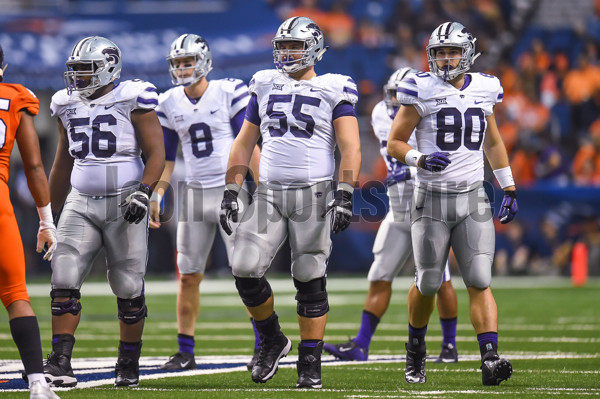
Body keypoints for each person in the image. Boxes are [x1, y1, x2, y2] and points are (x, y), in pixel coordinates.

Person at [219, 16, 361, 388]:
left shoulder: (334, 87)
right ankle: (271, 338)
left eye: (294, 46)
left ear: (314, 48)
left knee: (309, 274)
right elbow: (244, 143)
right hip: (270, 192)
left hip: (313, 192)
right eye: (282, 46)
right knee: (244, 265)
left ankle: (310, 363)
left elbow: (350, 147)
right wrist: (232, 189)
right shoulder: (264, 84)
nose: (286, 53)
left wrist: (345, 192)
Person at [387, 22, 516, 386]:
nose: (445, 59)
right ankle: (415, 348)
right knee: (428, 282)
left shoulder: (486, 88)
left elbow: (492, 142)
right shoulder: (420, 87)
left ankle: (489, 358)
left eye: (452, 52)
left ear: (468, 53)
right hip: (431, 200)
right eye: (439, 53)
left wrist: (509, 187)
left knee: (479, 277)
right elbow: (395, 142)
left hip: (473, 197)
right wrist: (420, 159)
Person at [44, 36, 165, 388]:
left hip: (126, 200)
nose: (78, 76)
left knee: (127, 286)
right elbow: (63, 161)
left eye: (86, 69)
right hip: (80, 200)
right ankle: (60, 361)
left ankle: (128, 360)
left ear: (109, 67)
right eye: (75, 69)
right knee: (63, 277)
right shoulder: (65, 103)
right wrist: (46, 215)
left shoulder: (133, 97)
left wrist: (144, 192)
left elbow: (156, 152)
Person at [323, 67, 459, 364]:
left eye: (404, 97)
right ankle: (361, 344)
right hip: (398, 208)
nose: (398, 102)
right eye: (395, 96)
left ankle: (449, 346)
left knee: (439, 278)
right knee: (379, 274)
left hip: (427, 203)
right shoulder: (381, 115)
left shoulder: (431, 114)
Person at [149, 33, 261, 371]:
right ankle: (185, 350)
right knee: (188, 274)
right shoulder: (168, 101)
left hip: (232, 191)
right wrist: (157, 192)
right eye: (178, 63)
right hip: (195, 195)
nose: (183, 69)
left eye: (188, 62)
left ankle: (264, 343)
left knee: (248, 274)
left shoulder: (228, 91)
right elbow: (167, 158)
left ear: (204, 62)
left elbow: (248, 144)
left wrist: (263, 187)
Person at [0, 45, 60, 399]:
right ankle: (37, 381)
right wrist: (46, 221)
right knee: (15, 294)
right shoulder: (15, 97)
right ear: (3, 66)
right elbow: (35, 165)